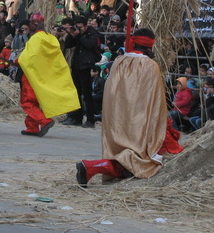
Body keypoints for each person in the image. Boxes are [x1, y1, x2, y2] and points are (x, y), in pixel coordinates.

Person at [76, 28, 183, 186]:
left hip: (116, 118)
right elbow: (155, 100)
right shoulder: (150, 65)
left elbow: (111, 89)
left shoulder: (119, 60)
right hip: (138, 118)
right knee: (139, 160)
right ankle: (93, 166)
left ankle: (91, 167)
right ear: (150, 46)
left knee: (122, 151)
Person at [16, 12, 79, 136]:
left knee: (27, 102)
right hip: (40, 75)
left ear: (35, 24)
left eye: (31, 23)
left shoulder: (36, 38)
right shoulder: (49, 37)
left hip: (30, 74)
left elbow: (30, 56)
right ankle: (32, 127)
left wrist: (18, 60)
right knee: (34, 101)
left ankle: (44, 121)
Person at [64, 16, 102, 127]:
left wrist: (79, 35)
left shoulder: (92, 34)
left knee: (87, 94)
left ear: (86, 26)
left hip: (86, 66)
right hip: (76, 65)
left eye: (80, 27)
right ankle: (76, 117)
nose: (79, 29)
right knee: (76, 93)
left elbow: (89, 45)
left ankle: (90, 120)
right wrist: (70, 34)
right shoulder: (77, 33)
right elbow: (68, 45)